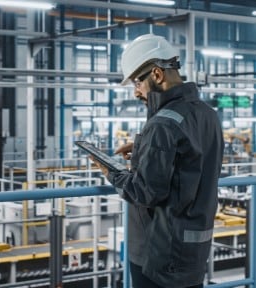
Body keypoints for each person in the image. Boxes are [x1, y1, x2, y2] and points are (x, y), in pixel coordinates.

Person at [91, 34, 224, 288]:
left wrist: (109, 171)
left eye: (137, 82)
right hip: (194, 248)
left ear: (157, 74)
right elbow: (191, 163)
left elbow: (145, 192)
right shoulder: (208, 114)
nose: (136, 91)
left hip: (159, 255)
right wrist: (144, 149)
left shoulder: (162, 124)